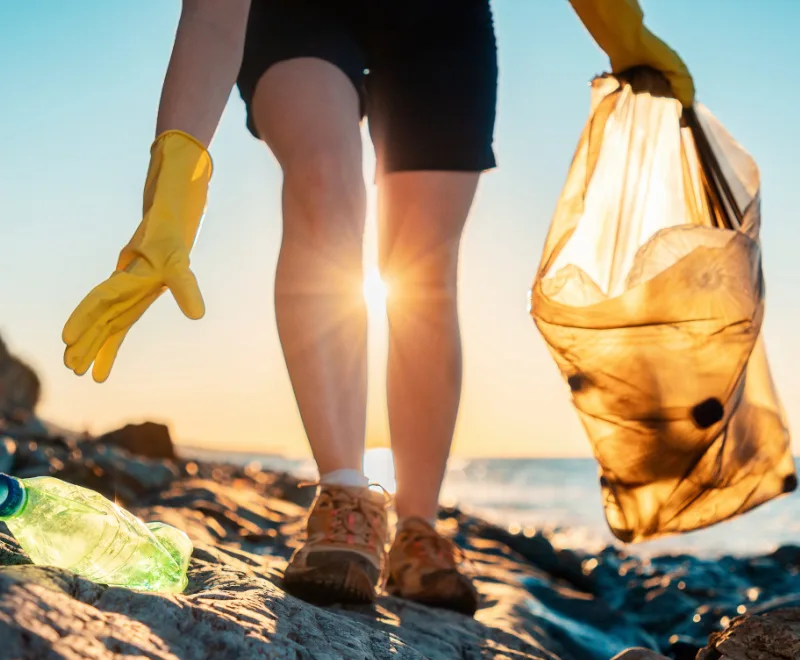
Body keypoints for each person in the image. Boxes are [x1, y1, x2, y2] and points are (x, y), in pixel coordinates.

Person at [62, 0, 694, 614]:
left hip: (440, 20)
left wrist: (623, 31)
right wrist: (171, 198)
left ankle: (418, 524)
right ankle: (344, 492)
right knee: (322, 184)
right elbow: (212, 13)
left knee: (423, 268)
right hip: (298, 12)